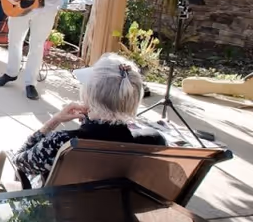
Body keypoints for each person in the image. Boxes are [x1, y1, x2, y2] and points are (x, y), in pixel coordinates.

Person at [11, 53, 166, 184]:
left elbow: (19, 161)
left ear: (89, 94)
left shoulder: (62, 143)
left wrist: (55, 120)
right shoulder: (153, 141)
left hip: (64, 209)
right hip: (116, 208)